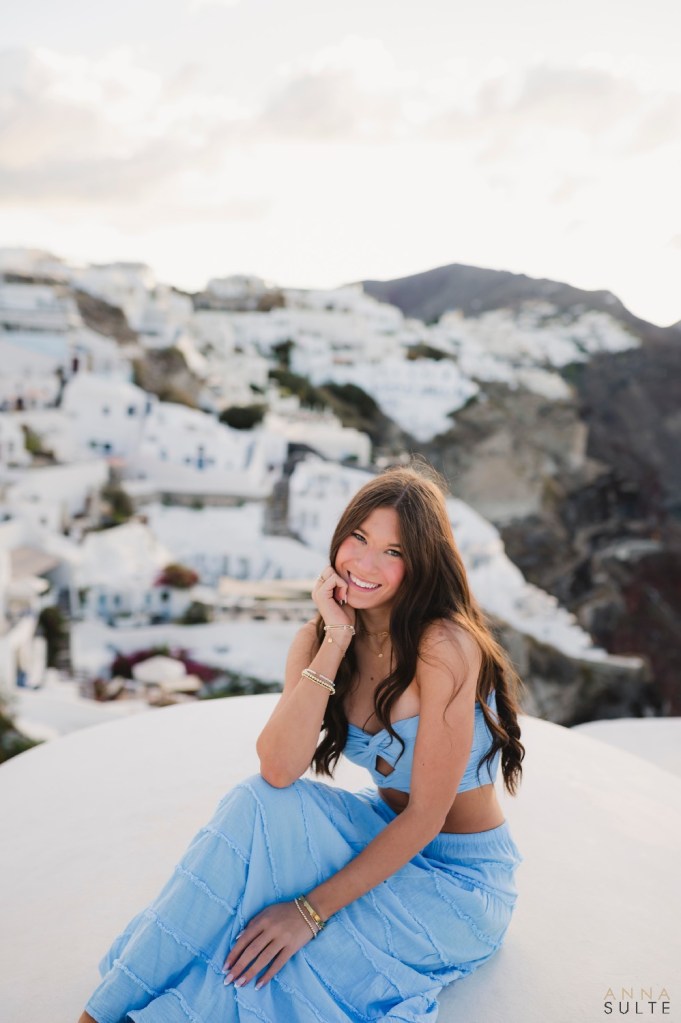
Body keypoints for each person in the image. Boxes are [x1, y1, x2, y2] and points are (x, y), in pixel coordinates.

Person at [79, 460, 525, 1023]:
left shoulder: (444, 646)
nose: (365, 563)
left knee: (286, 961)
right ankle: (101, 1012)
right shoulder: (319, 638)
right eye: (358, 538)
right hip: (379, 830)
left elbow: (426, 819)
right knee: (252, 802)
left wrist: (307, 912)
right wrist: (335, 638)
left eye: (394, 552)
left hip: (458, 881)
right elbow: (278, 769)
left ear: (422, 564)